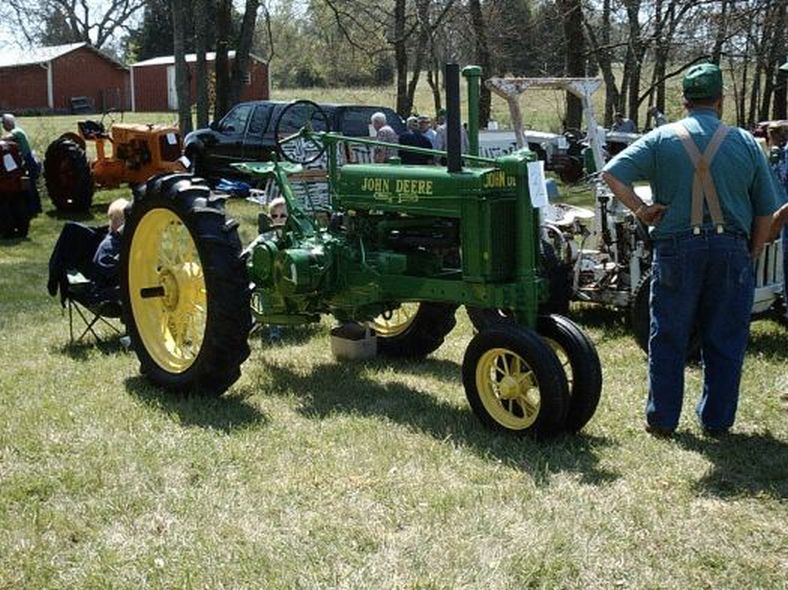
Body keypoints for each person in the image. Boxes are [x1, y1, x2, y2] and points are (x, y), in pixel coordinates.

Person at [601, 63, 779, 437]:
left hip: (677, 249)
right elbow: (766, 210)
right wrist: (753, 249)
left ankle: (662, 419)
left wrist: (641, 210)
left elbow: (612, 173)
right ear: (721, 100)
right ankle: (717, 420)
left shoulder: (661, 138)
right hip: (731, 248)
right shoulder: (746, 142)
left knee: (668, 334)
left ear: (684, 100)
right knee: (726, 338)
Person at [2, 113, 41, 216]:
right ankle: (36, 208)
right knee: (31, 185)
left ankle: (32, 209)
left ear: (9, 123)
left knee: (29, 186)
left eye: (4, 123)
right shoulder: (18, 130)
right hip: (28, 160)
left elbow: (6, 139)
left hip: (28, 161)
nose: (3, 126)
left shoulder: (16, 131)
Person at [92, 199, 129, 284]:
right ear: (114, 222)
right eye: (125, 220)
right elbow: (107, 269)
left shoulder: (124, 241)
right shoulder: (108, 245)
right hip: (108, 286)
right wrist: (124, 257)